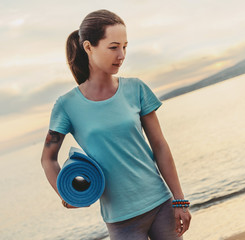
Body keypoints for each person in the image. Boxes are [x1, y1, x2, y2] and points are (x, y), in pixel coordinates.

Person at [41, 9, 191, 240]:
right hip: (121, 220)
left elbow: (160, 146)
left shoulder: (136, 89)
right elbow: (48, 158)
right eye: (113, 47)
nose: (121, 55)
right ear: (88, 47)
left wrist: (179, 199)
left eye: (125, 46)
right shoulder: (66, 105)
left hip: (161, 204)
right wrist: (66, 194)